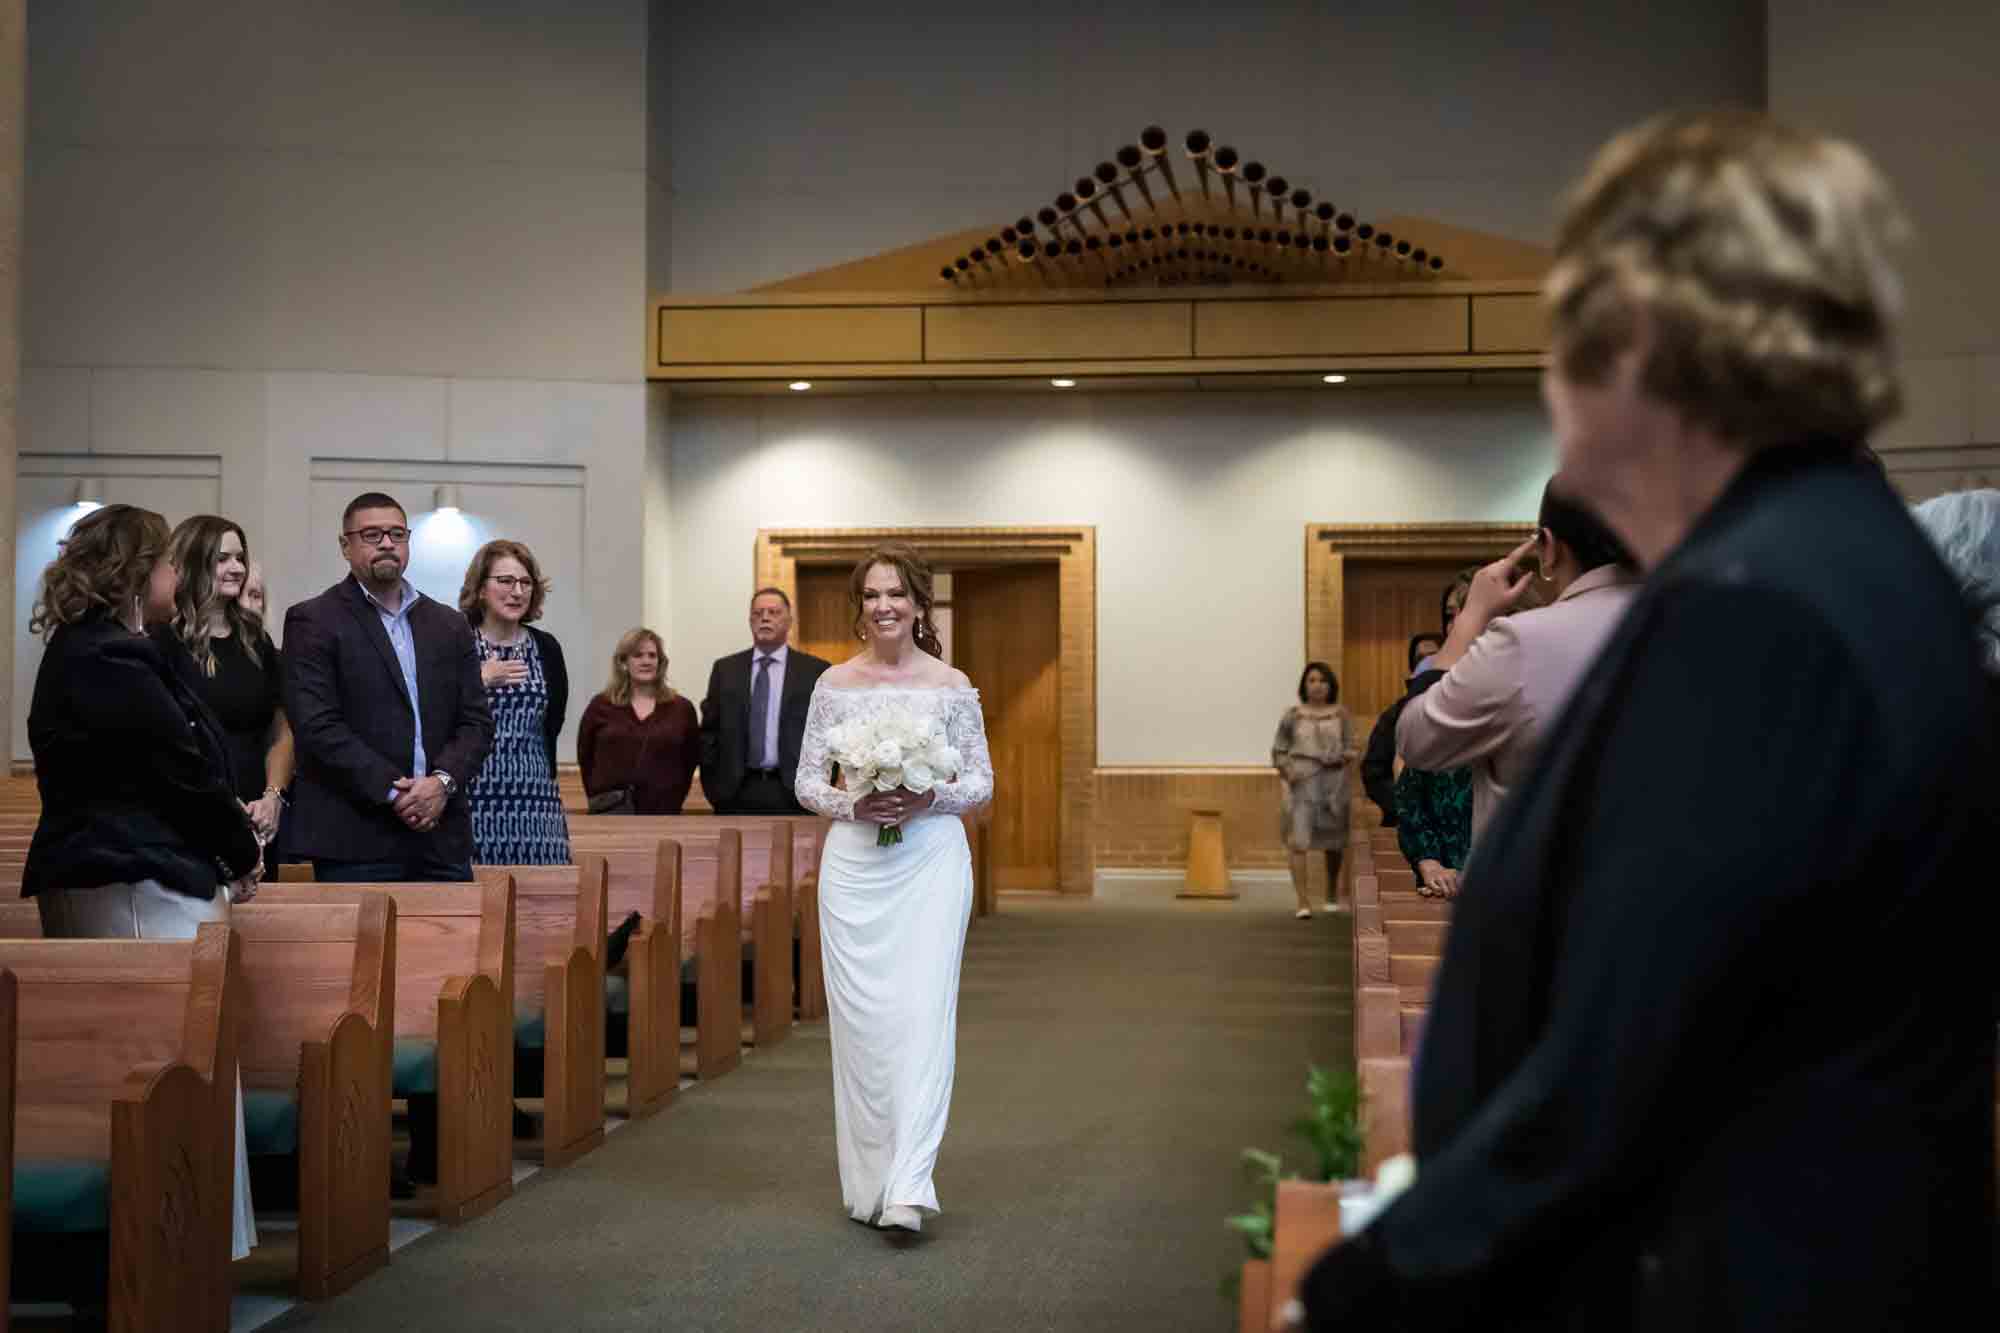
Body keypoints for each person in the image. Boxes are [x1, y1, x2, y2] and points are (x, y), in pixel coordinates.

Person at [1301, 110, 1996, 1330]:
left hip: (1727, 1272)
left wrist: (1369, 1285)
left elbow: (1624, 1066)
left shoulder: (1763, 613)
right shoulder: (1839, 560)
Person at [21, 504, 264, 1260]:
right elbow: (181, 771)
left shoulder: (115, 648)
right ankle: (173, 1249)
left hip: (127, 868)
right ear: (134, 574)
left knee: (165, 1061)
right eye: (164, 564)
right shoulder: (106, 659)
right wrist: (241, 850)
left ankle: (170, 1249)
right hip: (135, 874)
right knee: (166, 1064)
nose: (174, 576)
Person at [794, 543, 993, 1234]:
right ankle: (872, 1177)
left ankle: (911, 1182)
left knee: (922, 1017)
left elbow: (979, 782)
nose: (883, 605)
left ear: (918, 603)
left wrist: (925, 792)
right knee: (865, 1029)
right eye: (872, 595)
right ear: (861, 606)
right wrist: (858, 804)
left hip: (931, 861)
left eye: (896, 594)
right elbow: (809, 781)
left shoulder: (950, 683)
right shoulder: (834, 685)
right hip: (855, 868)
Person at [1396, 480, 1640, 843]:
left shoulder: (1524, 641)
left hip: (1548, 885)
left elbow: (1418, 739)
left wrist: (1472, 615)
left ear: (1548, 548)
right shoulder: (1696, 627)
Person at [282, 491, 493, 883]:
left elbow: (476, 722)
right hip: (355, 837)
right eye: (372, 535)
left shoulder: (448, 624)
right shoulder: (314, 620)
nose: (386, 544)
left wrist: (441, 784)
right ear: (345, 546)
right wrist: (396, 793)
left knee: (450, 945)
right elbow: (316, 726)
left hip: (441, 834)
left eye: (397, 534)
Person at [159, 516, 294, 875]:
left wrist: (273, 797)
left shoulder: (256, 639)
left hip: (259, 812)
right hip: (193, 812)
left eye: (239, 558)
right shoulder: (163, 640)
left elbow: (281, 730)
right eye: (222, 559)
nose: (237, 568)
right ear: (191, 562)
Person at [459, 539, 570, 864]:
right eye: (505, 581)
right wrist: (479, 679)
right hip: (473, 793)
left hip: (535, 796)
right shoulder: (457, 641)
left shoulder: (546, 647)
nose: (517, 591)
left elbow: (554, 720)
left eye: (525, 583)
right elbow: (434, 710)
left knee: (545, 900)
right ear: (480, 589)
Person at [701, 587, 831, 814]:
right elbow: (709, 733)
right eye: (758, 613)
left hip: (795, 792)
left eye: (773, 612)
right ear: (750, 620)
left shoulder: (814, 671)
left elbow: (827, 734)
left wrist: (819, 787)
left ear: (789, 621)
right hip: (735, 790)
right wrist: (715, 788)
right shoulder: (725, 670)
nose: (765, 618)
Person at [578, 627, 702, 814]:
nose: (646, 661)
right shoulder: (600, 705)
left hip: (663, 811)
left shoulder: (681, 709)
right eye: (637, 655)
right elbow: (585, 755)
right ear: (623, 663)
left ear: (660, 663)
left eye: (652, 656)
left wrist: (672, 796)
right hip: (610, 811)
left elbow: (690, 759)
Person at [1271, 662, 1350, 918]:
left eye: (1323, 680)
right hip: (1302, 784)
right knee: (1298, 842)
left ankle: (1330, 893)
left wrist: (1343, 756)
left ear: (1331, 685)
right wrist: (1288, 770)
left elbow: (1354, 747)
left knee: (1334, 844)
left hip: (1333, 785)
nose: (1317, 686)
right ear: (1305, 685)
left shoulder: (1341, 714)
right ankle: (1303, 902)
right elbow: (1279, 750)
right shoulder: (1292, 715)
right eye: (1312, 680)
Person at [1359, 633, 1443, 826]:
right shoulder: (1395, 714)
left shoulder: (1466, 708)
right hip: (1405, 821)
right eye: (1420, 659)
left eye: (1433, 655)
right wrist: (1408, 805)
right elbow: (1373, 773)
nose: (1427, 662)